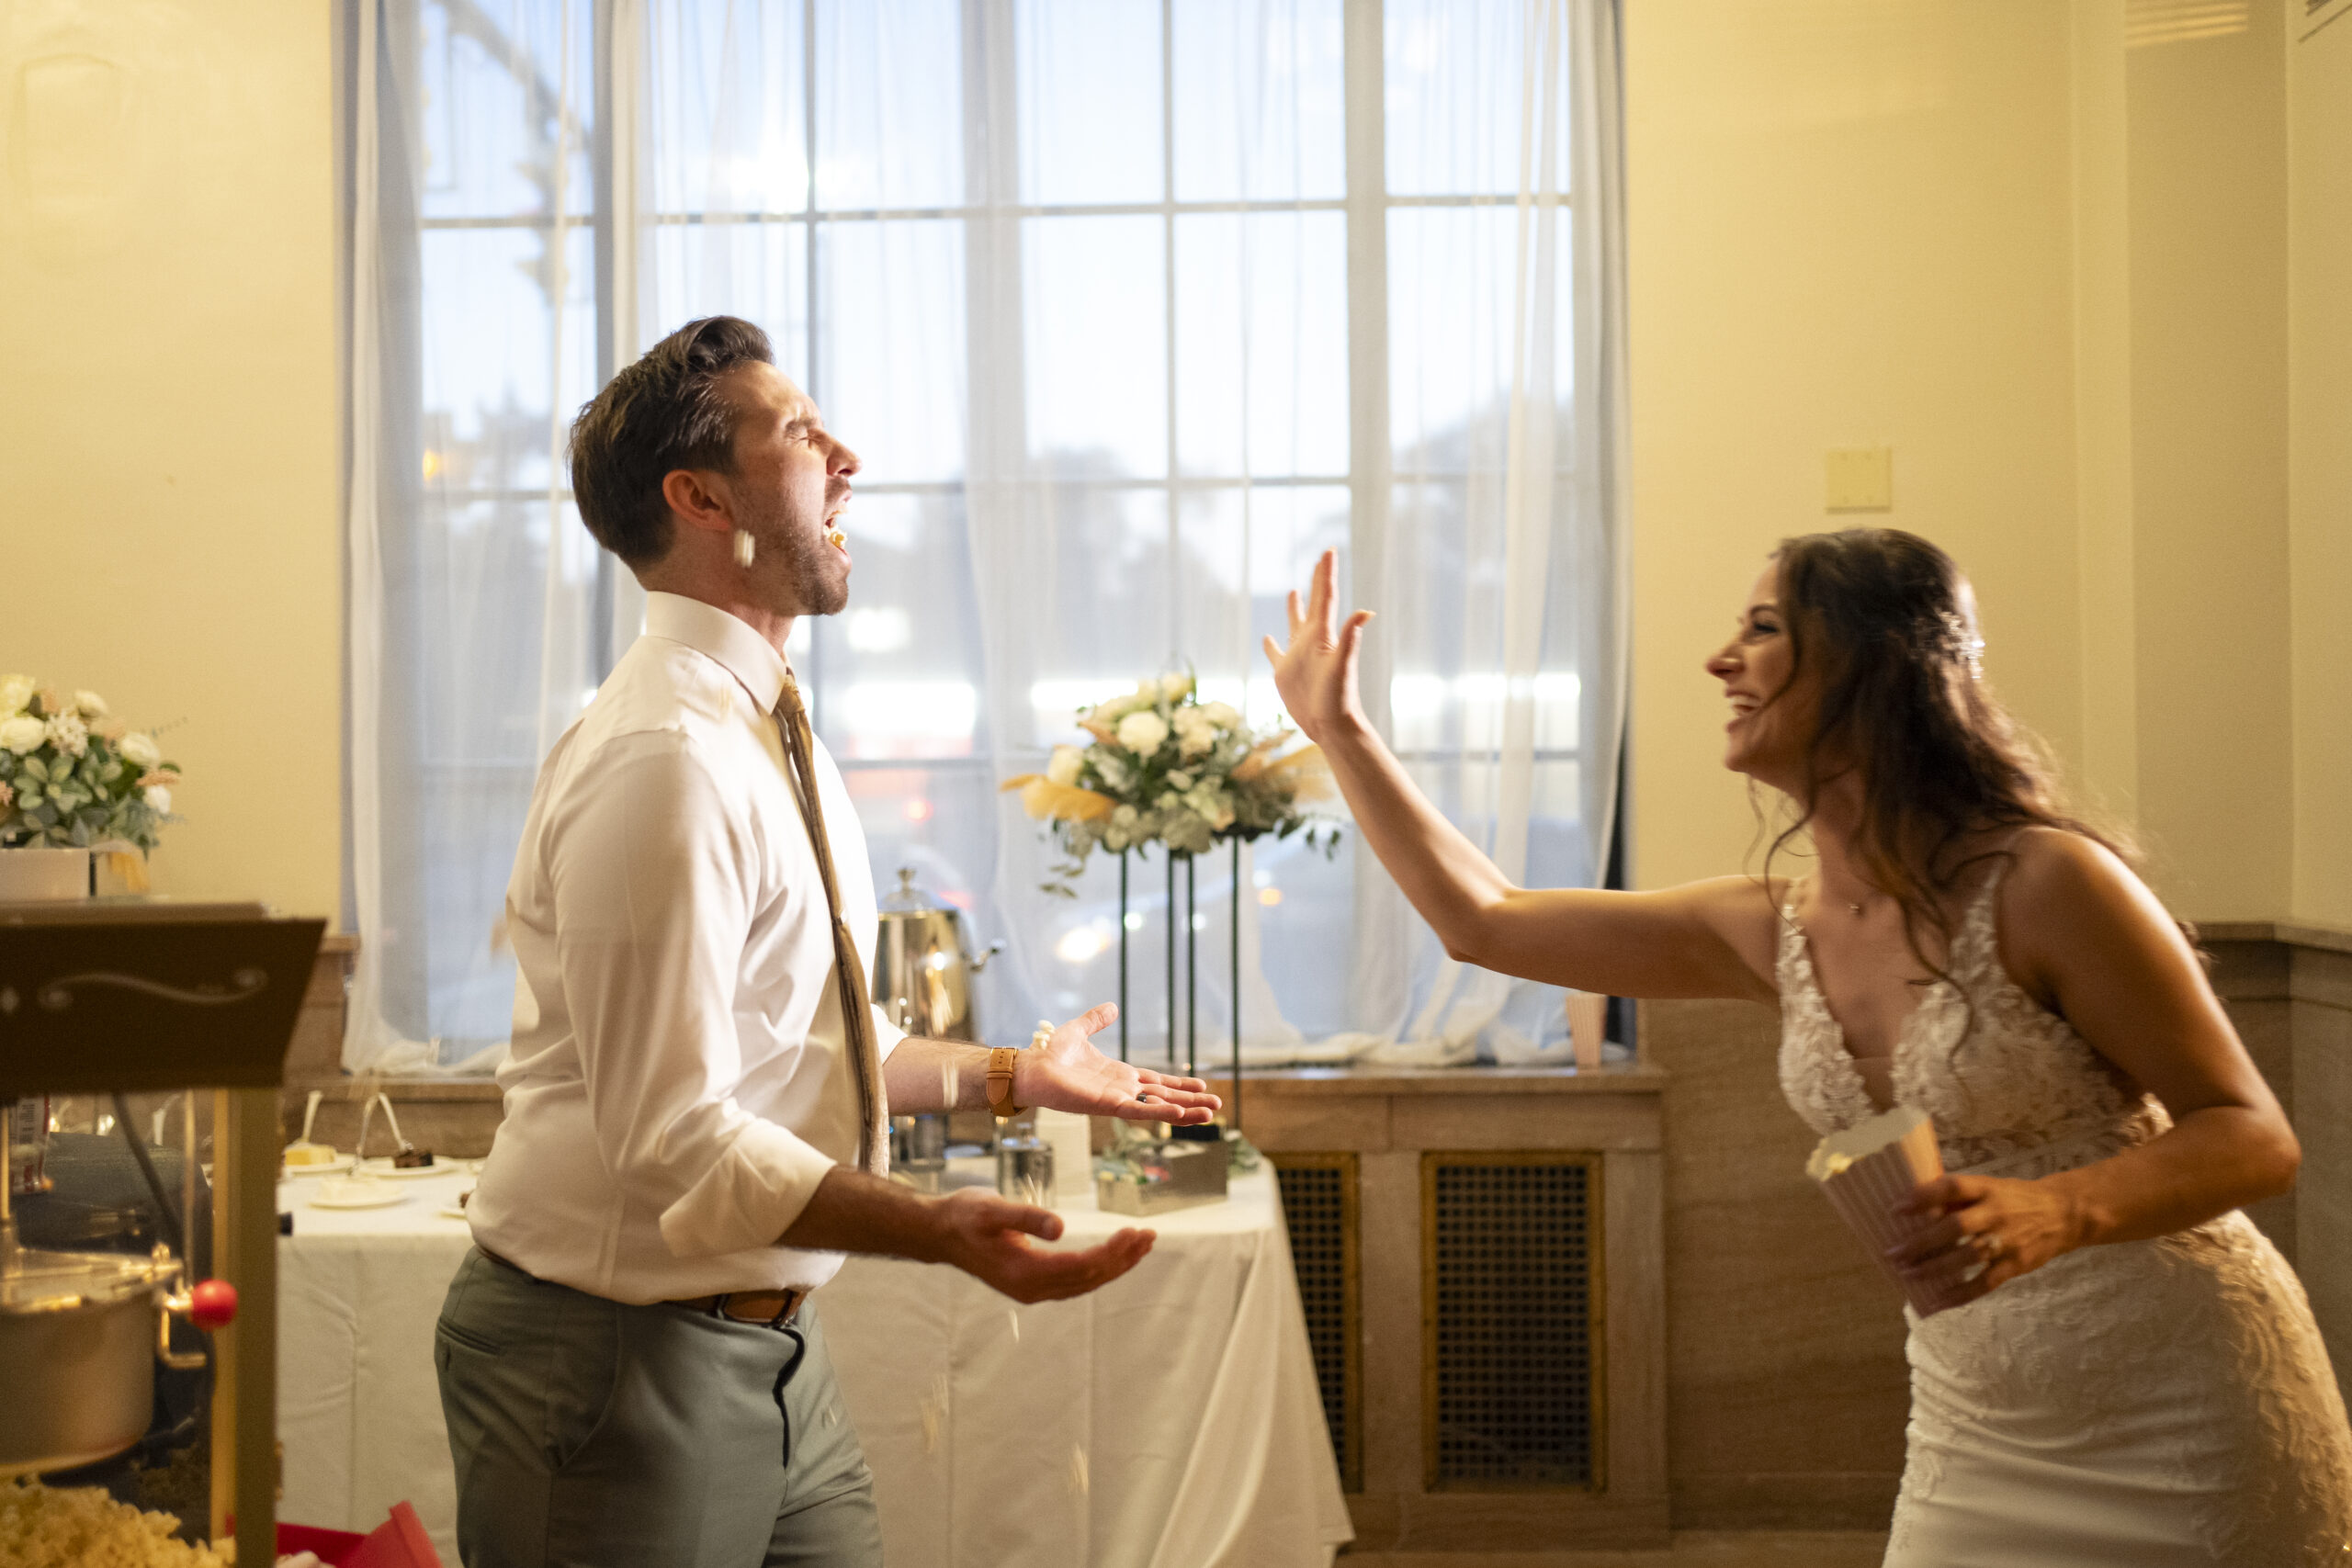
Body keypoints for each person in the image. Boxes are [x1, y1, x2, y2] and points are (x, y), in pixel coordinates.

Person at [1263, 530, 2352, 1564]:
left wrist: (2060, 1209)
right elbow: (1484, 922)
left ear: (1873, 663)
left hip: (2182, 1407)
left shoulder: (2045, 884)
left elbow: (2252, 1137)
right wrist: (1340, 734)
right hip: (1978, 1422)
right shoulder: (1764, 928)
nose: (1717, 659)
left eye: (1764, 627)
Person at [436, 315, 1221, 1568]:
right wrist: (932, 1225)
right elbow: (675, 1141)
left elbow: (804, 1028)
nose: (846, 455)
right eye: (800, 432)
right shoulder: (668, 759)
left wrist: (1016, 1075)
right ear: (700, 496)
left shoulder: (765, 719)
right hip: (610, 1361)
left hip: (771, 1347)